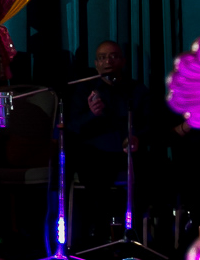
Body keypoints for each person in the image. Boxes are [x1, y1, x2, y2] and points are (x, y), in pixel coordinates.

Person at [65, 40, 152, 243]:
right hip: (96, 153)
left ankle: (136, 236)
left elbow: (150, 122)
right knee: (93, 174)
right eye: (103, 57)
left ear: (122, 61)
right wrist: (91, 115)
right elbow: (72, 127)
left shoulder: (136, 89)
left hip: (129, 152)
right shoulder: (84, 90)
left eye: (113, 56)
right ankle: (100, 239)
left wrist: (138, 136)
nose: (108, 61)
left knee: (151, 172)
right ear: (96, 64)